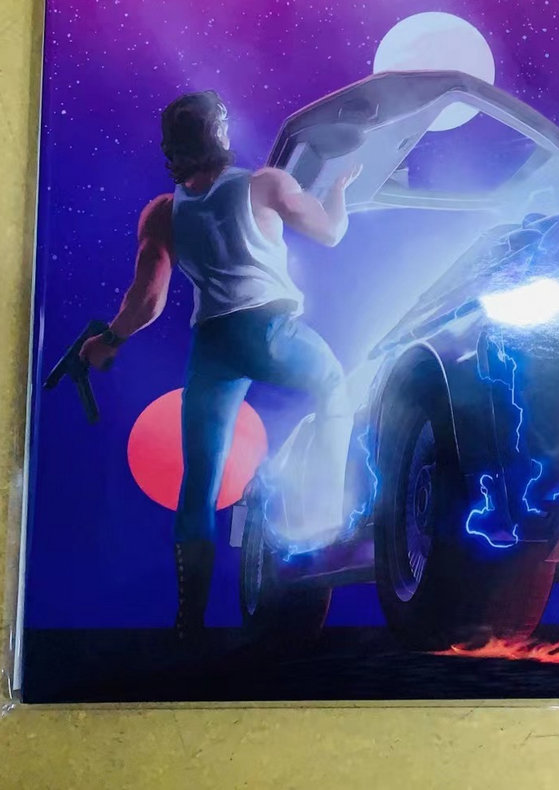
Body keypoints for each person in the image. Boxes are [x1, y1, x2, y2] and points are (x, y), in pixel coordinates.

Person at [79, 90, 361, 638]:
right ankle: (324, 517)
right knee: (333, 387)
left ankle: (189, 619)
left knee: (200, 481)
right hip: (269, 331)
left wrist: (109, 341)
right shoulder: (266, 184)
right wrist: (340, 193)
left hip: (212, 346)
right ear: (218, 133)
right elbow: (331, 232)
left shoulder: (163, 213)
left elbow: (147, 300)